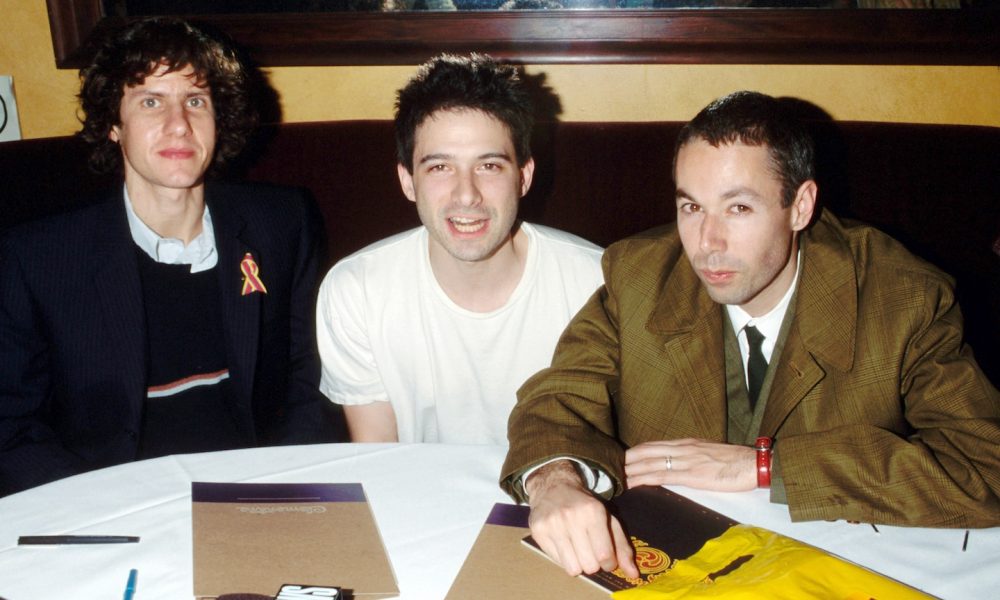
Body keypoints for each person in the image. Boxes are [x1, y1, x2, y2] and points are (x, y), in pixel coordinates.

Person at [500, 91, 1000, 579]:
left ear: (800, 206)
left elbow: (986, 465)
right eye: (691, 207)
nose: (707, 243)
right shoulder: (640, 276)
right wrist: (554, 480)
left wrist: (768, 467)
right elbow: (556, 398)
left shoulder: (902, 298)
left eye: (738, 208)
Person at [0, 18, 334, 496]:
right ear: (114, 124)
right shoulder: (36, 259)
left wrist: (285, 487)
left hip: (254, 494)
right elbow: (11, 427)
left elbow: (310, 381)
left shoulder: (283, 223)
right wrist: (103, 509)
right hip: (108, 504)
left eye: (196, 101)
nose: (178, 124)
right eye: (151, 101)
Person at [315, 54, 604, 444]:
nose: (466, 195)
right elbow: (378, 458)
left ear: (523, 176)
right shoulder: (356, 290)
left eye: (489, 166)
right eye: (439, 167)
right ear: (407, 181)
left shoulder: (596, 282)